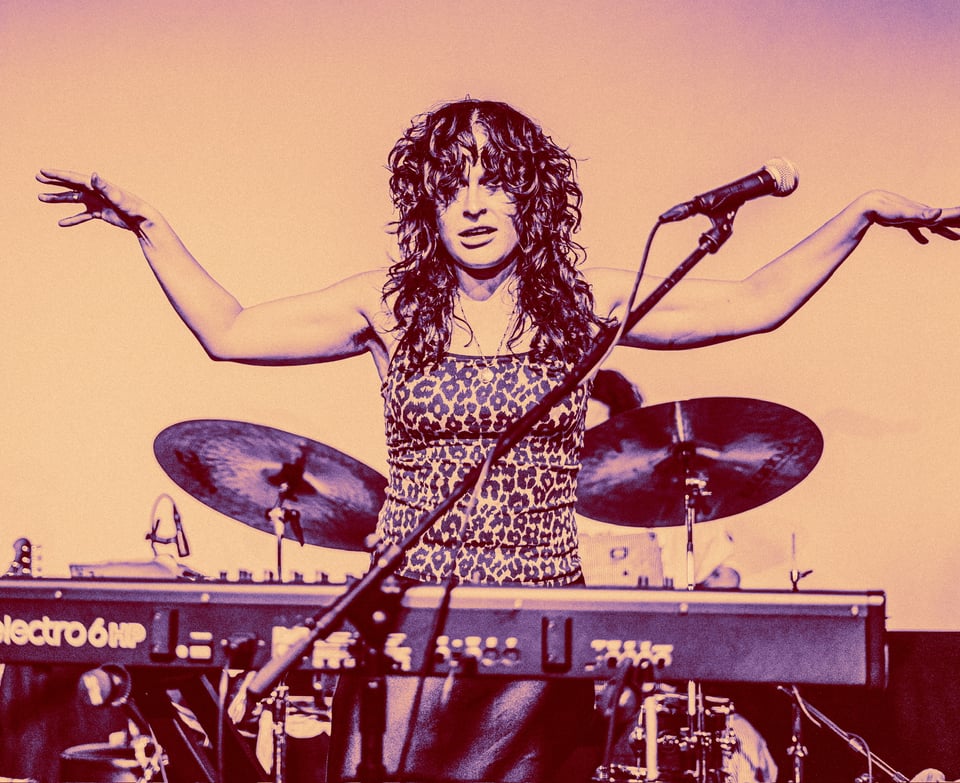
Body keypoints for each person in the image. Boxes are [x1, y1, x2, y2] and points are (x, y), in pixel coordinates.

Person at [37, 98, 960, 783]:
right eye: (453, 187)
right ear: (428, 205)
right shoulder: (388, 303)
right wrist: (150, 229)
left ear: (531, 196)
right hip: (407, 620)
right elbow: (231, 331)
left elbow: (753, 303)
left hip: (539, 619)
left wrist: (862, 212)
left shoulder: (584, 301)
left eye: (495, 181)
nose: (474, 204)